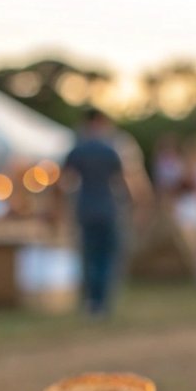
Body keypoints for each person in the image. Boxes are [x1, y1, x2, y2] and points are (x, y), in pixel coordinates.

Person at [62, 108, 143, 318]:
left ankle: (90, 302)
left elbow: (65, 182)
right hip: (108, 209)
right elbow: (122, 181)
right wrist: (136, 204)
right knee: (106, 257)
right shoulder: (110, 150)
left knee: (89, 257)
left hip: (85, 208)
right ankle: (102, 304)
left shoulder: (77, 150)